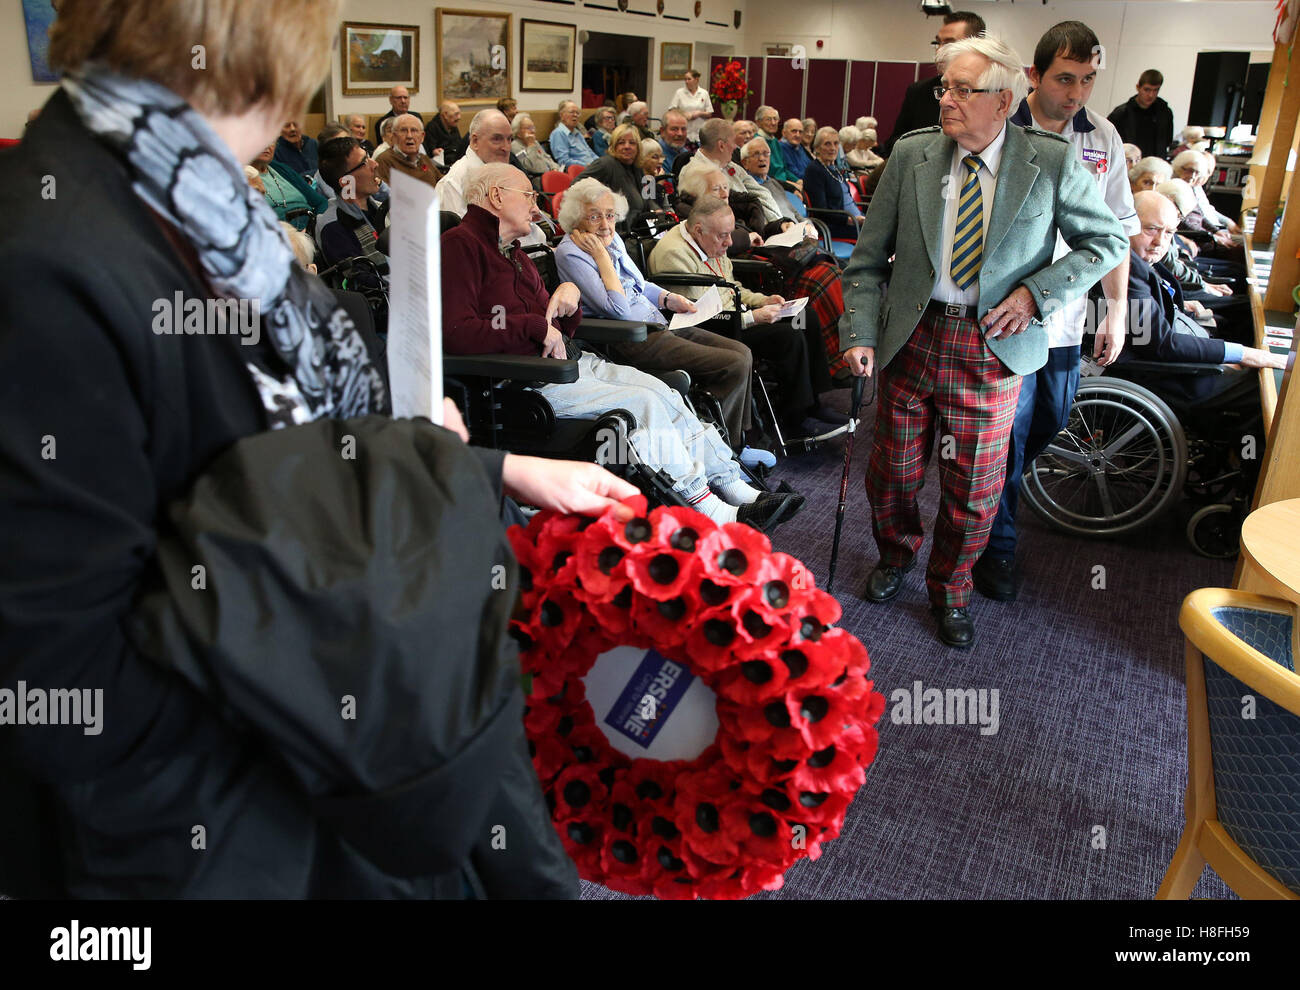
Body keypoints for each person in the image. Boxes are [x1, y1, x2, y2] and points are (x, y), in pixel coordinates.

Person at [2, 0, 617, 900]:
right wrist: (308, 826)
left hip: (341, 731)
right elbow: (65, 682)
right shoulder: (51, 256)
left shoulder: (193, 190)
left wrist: (479, 466)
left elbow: (290, 455)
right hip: (260, 813)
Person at [839, 34, 1127, 649]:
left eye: (965, 91)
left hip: (993, 346)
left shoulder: (1048, 160)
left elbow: (1108, 242)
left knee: (974, 485)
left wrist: (1036, 295)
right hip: (913, 337)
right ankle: (895, 556)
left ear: (1004, 101)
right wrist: (860, 330)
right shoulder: (913, 155)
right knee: (892, 473)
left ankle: (952, 586)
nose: (948, 101)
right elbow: (865, 264)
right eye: (946, 88)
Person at [441, 163, 803, 529]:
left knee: (663, 391)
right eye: (529, 196)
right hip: (524, 381)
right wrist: (535, 325)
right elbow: (457, 331)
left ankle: (732, 484)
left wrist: (568, 296)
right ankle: (710, 508)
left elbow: (560, 324)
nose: (536, 208)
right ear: (497, 196)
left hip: (569, 361)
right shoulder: (460, 245)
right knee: (644, 404)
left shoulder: (515, 253)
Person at [975, 20, 1141, 604]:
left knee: (1051, 418)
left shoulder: (1103, 138)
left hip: (1069, 314)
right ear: (1033, 76)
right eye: (1065, 79)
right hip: (1011, 315)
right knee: (1009, 436)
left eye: (1088, 80)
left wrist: (1116, 311)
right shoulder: (999, 127)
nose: (1076, 93)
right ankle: (997, 547)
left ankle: (992, 513)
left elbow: (1119, 230)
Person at [554, 178, 771, 466]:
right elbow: (617, 308)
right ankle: (720, 450)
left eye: (609, 214)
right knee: (730, 363)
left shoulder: (612, 238)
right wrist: (602, 258)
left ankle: (734, 443)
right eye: (594, 216)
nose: (606, 224)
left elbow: (641, 285)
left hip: (658, 322)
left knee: (742, 353)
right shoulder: (572, 251)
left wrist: (670, 299)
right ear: (575, 219)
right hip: (628, 338)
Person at [648, 196, 836, 437]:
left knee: (804, 314)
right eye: (723, 236)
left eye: (730, 233)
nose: (729, 242)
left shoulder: (708, 239)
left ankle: (815, 402)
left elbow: (732, 286)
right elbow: (702, 319)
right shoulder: (674, 255)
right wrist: (753, 318)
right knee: (788, 336)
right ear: (698, 230)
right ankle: (794, 416)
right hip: (713, 329)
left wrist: (763, 300)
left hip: (734, 314)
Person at [1119, 192, 1284, 402]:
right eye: (1151, 229)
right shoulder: (1128, 270)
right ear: (1127, 224)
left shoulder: (1140, 261)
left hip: (1174, 362)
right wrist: (1243, 354)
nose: (1160, 241)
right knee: (1262, 390)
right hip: (1163, 376)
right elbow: (1162, 343)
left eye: (1169, 233)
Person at [881, 10, 986, 156]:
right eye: (937, 43)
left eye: (949, 44)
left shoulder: (987, 95)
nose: (939, 51)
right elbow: (893, 144)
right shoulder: (919, 92)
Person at [681, 118, 782, 224]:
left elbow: (762, 193)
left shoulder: (730, 165)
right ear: (721, 145)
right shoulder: (692, 174)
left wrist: (778, 223)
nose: (736, 147)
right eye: (733, 141)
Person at [315, 136, 390, 271]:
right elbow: (366, 284)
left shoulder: (381, 209)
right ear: (346, 182)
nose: (375, 164)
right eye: (364, 162)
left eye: (368, 157)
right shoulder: (333, 227)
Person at [576, 123, 652, 226]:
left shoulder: (637, 166)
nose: (627, 146)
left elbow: (648, 196)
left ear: (638, 147)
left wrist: (657, 210)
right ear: (613, 146)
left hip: (642, 226)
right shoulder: (605, 164)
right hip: (617, 231)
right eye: (621, 143)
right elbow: (575, 186)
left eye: (632, 143)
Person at [249, 140, 328, 230]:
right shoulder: (241, 177)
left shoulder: (281, 169)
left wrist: (315, 226)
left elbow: (321, 203)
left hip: (311, 229)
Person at [804, 126, 865, 239]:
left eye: (836, 143)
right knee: (878, 236)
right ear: (817, 148)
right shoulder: (815, 170)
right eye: (827, 144)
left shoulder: (835, 168)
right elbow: (821, 211)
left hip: (856, 219)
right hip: (835, 226)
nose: (832, 148)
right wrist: (849, 220)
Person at [1108, 69, 1174, 159]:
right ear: (1138, 87)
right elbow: (1109, 141)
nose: (1151, 95)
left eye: (1156, 90)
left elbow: (1167, 141)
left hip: (1155, 164)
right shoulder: (1121, 113)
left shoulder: (1165, 113)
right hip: (1128, 164)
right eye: (1147, 90)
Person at [741, 137, 806, 222]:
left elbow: (793, 211)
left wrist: (806, 225)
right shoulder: (747, 188)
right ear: (745, 163)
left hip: (797, 229)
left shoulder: (774, 183)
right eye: (756, 154)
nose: (762, 159)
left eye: (765, 154)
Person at [374, 113, 442, 189]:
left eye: (414, 130)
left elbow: (442, 182)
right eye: (403, 130)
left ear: (422, 137)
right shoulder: (384, 160)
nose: (409, 136)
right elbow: (384, 194)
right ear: (394, 137)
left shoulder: (424, 158)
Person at [669, 68, 714, 145]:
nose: (686, 81)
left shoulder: (704, 93)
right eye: (685, 79)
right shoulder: (679, 93)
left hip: (699, 133)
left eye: (689, 79)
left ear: (696, 79)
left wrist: (699, 113)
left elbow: (709, 113)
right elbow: (671, 110)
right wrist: (684, 114)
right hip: (685, 133)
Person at [755, 105, 797, 185]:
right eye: (768, 119)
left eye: (775, 119)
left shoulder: (775, 141)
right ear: (758, 123)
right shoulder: (757, 142)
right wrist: (789, 184)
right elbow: (766, 174)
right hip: (770, 185)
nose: (773, 123)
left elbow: (783, 169)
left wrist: (797, 180)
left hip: (783, 184)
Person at [550, 100, 598, 167]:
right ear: (562, 115)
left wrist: (599, 162)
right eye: (572, 112)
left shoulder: (578, 133)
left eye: (577, 113)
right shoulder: (558, 134)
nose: (575, 115)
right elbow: (564, 161)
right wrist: (586, 165)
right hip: (580, 170)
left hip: (592, 167)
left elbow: (590, 153)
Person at [425, 100, 468, 167]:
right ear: (445, 115)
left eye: (459, 114)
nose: (459, 117)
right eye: (456, 114)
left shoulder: (452, 125)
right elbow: (430, 152)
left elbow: (459, 145)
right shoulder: (432, 127)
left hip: (456, 162)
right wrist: (435, 151)